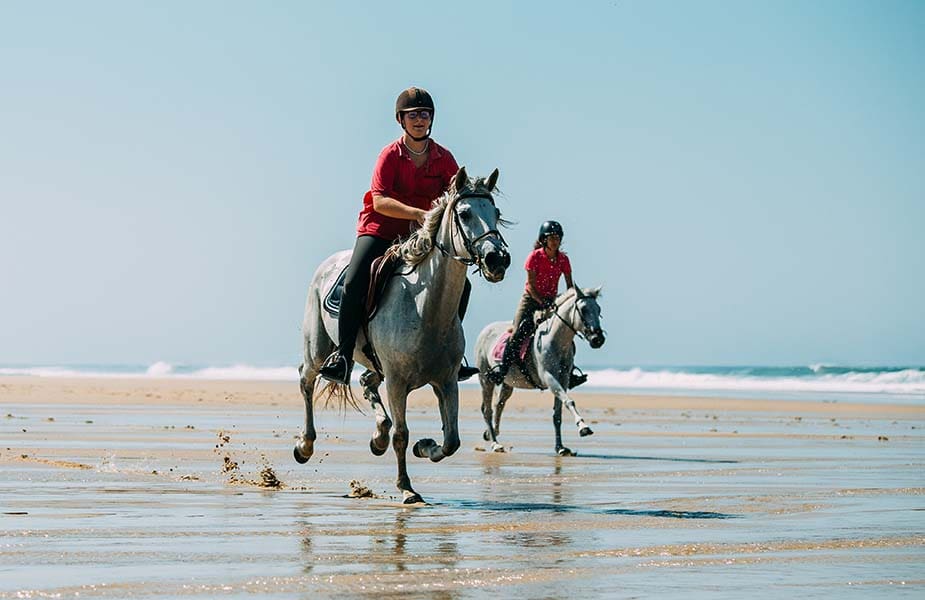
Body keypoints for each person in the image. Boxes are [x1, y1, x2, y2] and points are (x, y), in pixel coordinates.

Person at [318, 86, 479, 385]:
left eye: (425, 114)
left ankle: (450, 354)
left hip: (421, 236)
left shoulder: (444, 158)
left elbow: (458, 196)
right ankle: (342, 356)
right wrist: (417, 214)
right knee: (354, 280)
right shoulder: (390, 155)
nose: (420, 120)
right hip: (380, 230)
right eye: (413, 115)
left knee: (463, 285)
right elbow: (379, 201)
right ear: (400, 120)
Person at [487, 220, 587, 388]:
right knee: (518, 332)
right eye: (551, 238)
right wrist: (542, 302)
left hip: (552, 300)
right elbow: (531, 286)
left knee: (566, 333)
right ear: (543, 240)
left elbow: (570, 286)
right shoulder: (534, 257)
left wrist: (567, 302)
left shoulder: (563, 260)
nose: (555, 241)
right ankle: (502, 369)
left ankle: (569, 373)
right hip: (531, 299)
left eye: (558, 238)